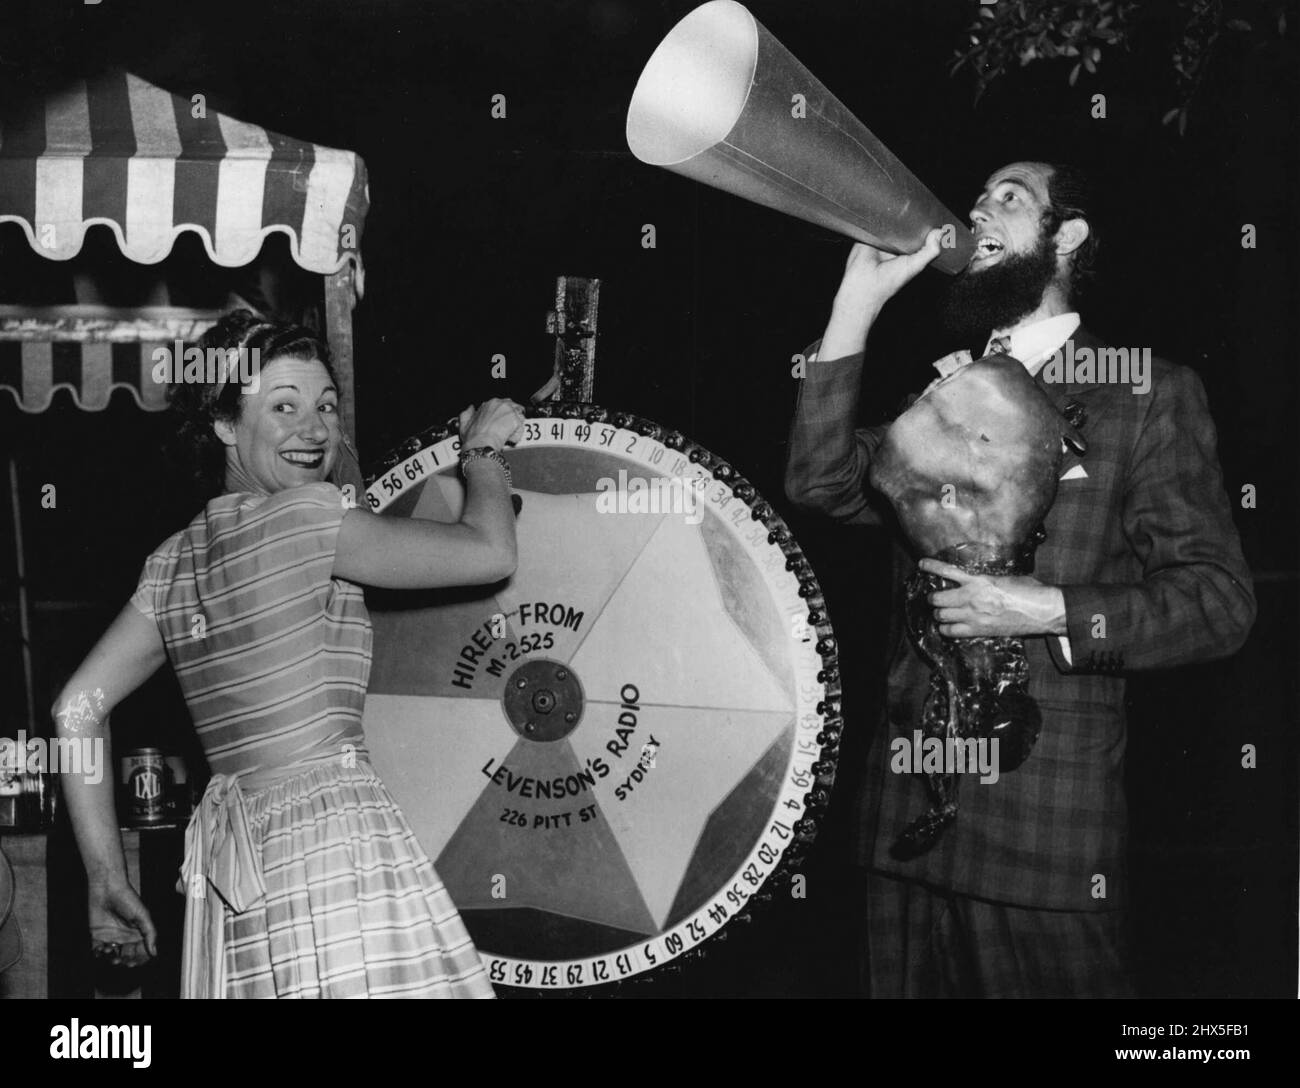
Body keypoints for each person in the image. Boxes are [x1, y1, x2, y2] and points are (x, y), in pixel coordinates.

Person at [785, 162, 1256, 998]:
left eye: (1010, 197)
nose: (977, 208)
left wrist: (1050, 610)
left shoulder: (1147, 394)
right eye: (978, 198)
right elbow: (820, 482)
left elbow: (1217, 604)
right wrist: (856, 304)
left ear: (1067, 238)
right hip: (902, 825)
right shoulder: (939, 392)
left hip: (1044, 844)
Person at [54, 310, 524, 998]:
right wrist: (483, 450)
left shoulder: (173, 562)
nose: (315, 429)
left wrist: (106, 876)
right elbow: (490, 550)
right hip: (329, 846)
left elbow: (75, 711)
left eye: (326, 406)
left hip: (233, 870)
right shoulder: (308, 518)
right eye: (284, 406)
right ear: (222, 425)